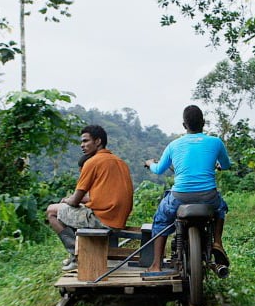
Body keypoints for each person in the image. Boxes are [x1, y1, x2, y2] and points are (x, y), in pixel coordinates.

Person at [144, 105, 231, 273]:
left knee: (161, 219)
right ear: (203, 123)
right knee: (221, 208)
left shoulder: (173, 145)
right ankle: (217, 242)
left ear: (184, 125)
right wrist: (218, 165)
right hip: (208, 197)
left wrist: (150, 163)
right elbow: (226, 165)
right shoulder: (215, 142)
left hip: (179, 197)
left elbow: (159, 170)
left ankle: (156, 264)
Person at [46, 125, 134, 272]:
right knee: (72, 211)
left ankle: (77, 254)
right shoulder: (120, 162)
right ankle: (79, 252)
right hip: (118, 218)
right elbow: (99, 196)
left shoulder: (92, 162)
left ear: (98, 141)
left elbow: (74, 200)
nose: (82, 145)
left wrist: (66, 200)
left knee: (51, 211)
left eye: (86, 141)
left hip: (103, 219)